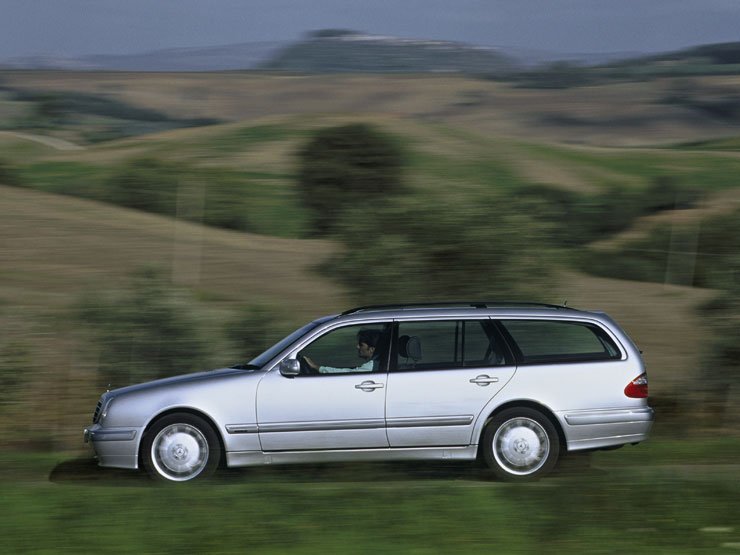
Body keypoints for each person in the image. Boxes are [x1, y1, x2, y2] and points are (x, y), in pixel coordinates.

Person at [303, 329, 382, 374]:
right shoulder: (378, 363)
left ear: (371, 349)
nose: (357, 347)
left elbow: (348, 373)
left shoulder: (372, 366)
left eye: (361, 345)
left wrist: (317, 367)